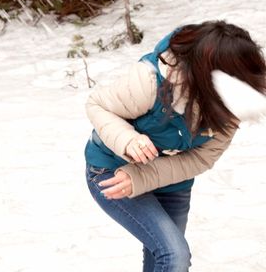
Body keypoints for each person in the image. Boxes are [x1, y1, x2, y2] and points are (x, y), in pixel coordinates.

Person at [84, 20, 266, 271]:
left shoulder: (233, 104)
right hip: (113, 171)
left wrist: (143, 176)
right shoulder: (150, 82)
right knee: (173, 254)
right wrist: (129, 140)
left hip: (172, 181)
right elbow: (97, 105)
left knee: (163, 257)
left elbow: (202, 158)